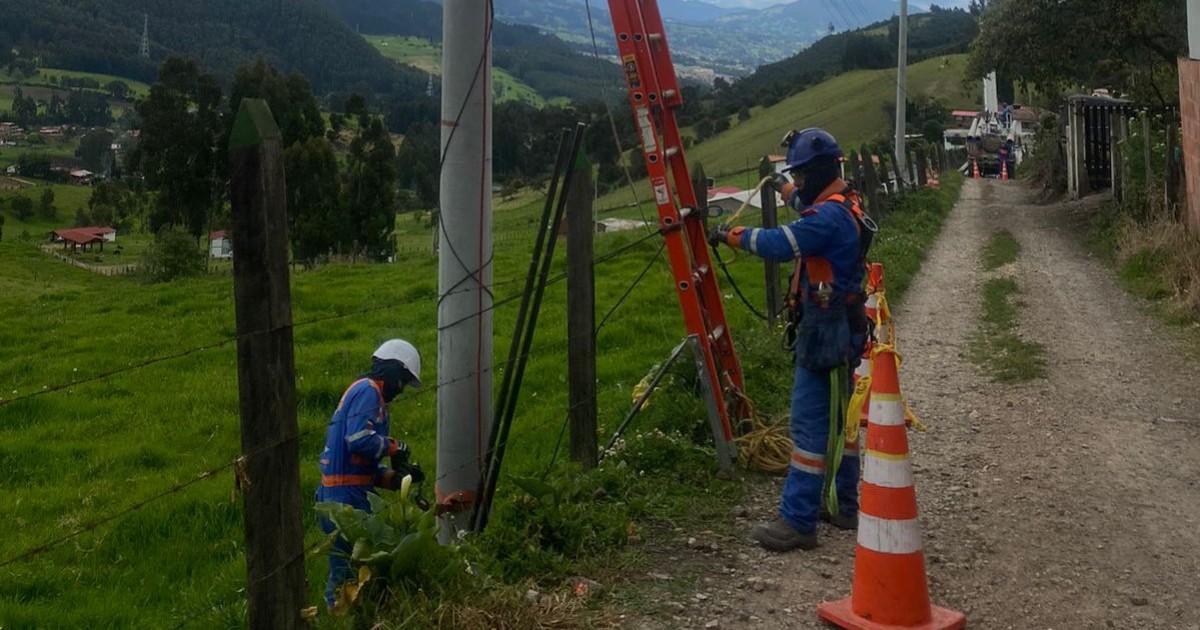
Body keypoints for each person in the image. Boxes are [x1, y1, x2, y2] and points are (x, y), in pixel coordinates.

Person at [708, 128, 873, 552]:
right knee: (840, 422)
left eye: (800, 176)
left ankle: (798, 520)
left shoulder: (830, 219)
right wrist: (782, 186)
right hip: (843, 326)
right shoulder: (843, 202)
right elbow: (805, 205)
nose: (797, 184)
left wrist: (729, 236)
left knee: (809, 425)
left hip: (826, 332)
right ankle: (843, 505)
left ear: (819, 171)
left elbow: (782, 243)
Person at [315, 339, 426, 608]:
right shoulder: (368, 391)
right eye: (402, 380)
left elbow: (365, 466)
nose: (400, 389)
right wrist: (394, 446)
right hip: (345, 497)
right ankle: (340, 618)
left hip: (348, 492)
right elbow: (357, 440)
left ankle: (347, 616)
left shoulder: (374, 398)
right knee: (347, 573)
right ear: (390, 369)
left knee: (353, 571)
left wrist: (397, 479)